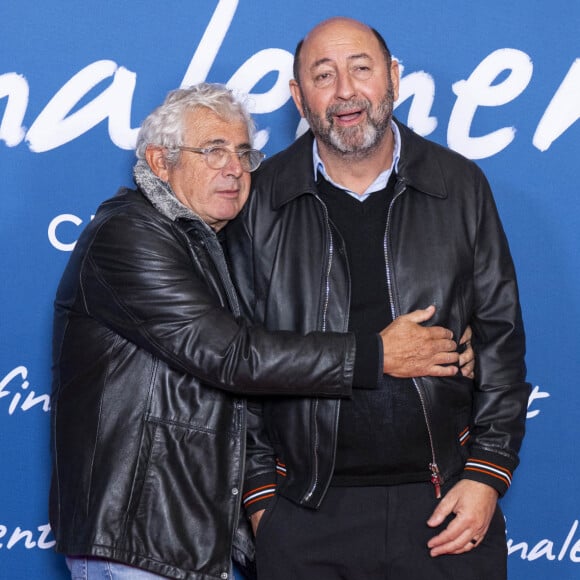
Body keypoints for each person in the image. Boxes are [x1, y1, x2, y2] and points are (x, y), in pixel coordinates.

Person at [49, 83, 477, 580]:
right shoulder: (130, 236)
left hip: (182, 535)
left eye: (243, 152)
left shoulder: (203, 241)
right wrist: (376, 354)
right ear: (159, 162)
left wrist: (453, 344)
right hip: (141, 538)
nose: (234, 168)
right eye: (212, 151)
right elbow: (229, 354)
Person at [226, 17, 530, 580]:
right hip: (304, 512)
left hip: (443, 506)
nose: (344, 90)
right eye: (323, 75)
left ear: (392, 78)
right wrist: (262, 499)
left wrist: (487, 474)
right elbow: (236, 355)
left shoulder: (460, 185)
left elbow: (502, 343)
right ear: (298, 96)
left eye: (360, 69)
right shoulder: (259, 201)